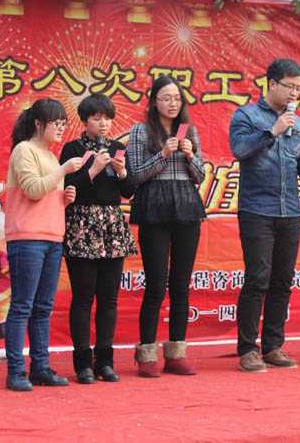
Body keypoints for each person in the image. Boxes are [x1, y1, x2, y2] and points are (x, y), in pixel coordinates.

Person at [229, 58, 300, 373]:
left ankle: (273, 346)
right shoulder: (246, 116)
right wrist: (272, 131)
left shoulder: (299, 124)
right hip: (257, 209)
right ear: (271, 83)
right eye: (290, 87)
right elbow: (239, 150)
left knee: (282, 280)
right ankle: (247, 348)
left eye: (298, 88)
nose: (295, 93)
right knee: (258, 278)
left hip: (290, 210)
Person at [127, 75, 206, 377]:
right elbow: (135, 175)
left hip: (186, 205)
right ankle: (147, 353)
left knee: (181, 284)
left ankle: (176, 353)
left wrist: (189, 154)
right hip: (154, 207)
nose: (173, 103)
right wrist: (163, 154)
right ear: (154, 101)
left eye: (177, 98)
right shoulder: (140, 131)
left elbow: (200, 175)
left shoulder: (190, 131)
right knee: (156, 283)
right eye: (166, 98)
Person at [4, 98, 83, 391]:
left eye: (63, 123)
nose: (61, 128)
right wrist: (63, 171)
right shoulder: (24, 150)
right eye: (56, 123)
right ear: (38, 124)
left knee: (43, 307)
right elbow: (33, 190)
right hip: (27, 237)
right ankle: (16, 371)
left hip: (52, 237)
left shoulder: (50, 156)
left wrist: (64, 198)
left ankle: (40, 367)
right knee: (22, 305)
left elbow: (44, 194)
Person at [60, 94, 136, 384]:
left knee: (109, 298)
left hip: (112, 225)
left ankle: (105, 361)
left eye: (107, 118)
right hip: (82, 223)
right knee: (83, 297)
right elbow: (66, 186)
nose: (103, 123)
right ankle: (83, 363)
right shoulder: (73, 149)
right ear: (85, 121)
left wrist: (122, 171)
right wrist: (92, 170)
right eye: (96, 118)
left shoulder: (117, 148)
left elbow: (128, 191)